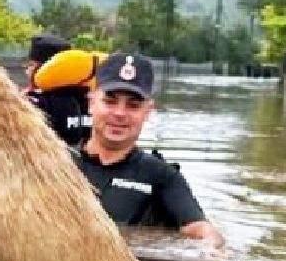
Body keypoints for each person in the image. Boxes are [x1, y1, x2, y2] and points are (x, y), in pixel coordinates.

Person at [71, 51, 225, 248]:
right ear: (91, 102)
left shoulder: (160, 176)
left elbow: (199, 228)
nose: (119, 113)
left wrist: (211, 246)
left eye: (133, 106)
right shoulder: (58, 163)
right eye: (110, 102)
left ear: (148, 111)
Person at [24, 34, 91, 145]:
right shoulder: (93, 99)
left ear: (44, 70)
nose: (27, 71)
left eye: (31, 65)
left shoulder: (37, 101)